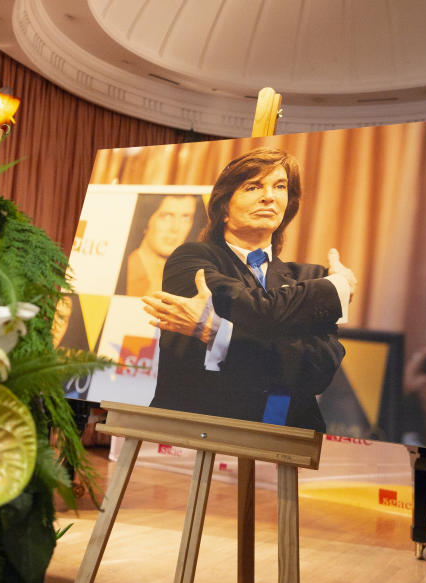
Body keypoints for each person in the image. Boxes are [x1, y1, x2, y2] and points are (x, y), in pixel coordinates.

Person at [142, 147, 356, 431]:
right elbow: (258, 309)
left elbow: (317, 371)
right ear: (223, 209)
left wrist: (218, 334)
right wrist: (337, 287)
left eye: (279, 186)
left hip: (290, 435)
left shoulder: (311, 276)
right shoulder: (191, 259)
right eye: (253, 186)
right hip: (198, 432)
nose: (269, 196)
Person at [117, 194, 201, 297]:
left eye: (185, 218)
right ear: (147, 220)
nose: (175, 228)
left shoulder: (189, 278)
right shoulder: (123, 270)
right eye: (166, 216)